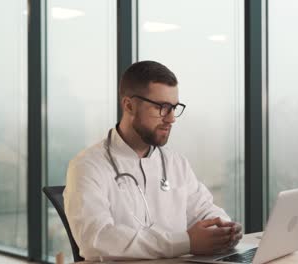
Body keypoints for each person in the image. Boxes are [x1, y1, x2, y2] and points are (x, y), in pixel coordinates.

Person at [63, 61, 243, 261]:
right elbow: (96, 240)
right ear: (129, 105)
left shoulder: (175, 163)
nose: (171, 118)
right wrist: (186, 242)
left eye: (174, 107)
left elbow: (204, 210)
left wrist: (225, 228)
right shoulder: (87, 166)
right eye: (162, 108)